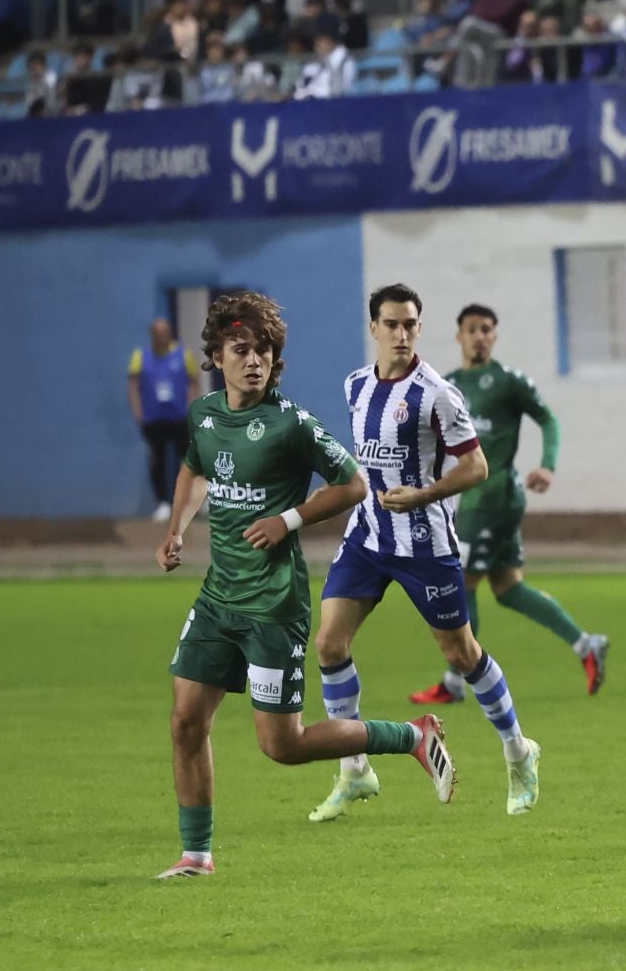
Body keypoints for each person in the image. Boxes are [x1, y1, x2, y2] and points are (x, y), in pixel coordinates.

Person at [155, 292, 455, 880]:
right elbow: (195, 466)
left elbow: (353, 484)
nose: (254, 360)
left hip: (272, 605)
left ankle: (409, 736)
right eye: (241, 349)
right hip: (219, 599)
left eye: (264, 350)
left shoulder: (290, 423)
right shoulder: (205, 415)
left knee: (282, 746)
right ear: (216, 355)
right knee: (186, 720)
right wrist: (176, 530)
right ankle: (196, 856)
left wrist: (287, 520)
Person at [310, 284, 544, 822]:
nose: (401, 333)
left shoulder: (437, 393)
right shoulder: (355, 386)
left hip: (426, 544)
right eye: (391, 324)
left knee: (461, 655)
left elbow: (476, 467)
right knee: (328, 642)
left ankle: (518, 751)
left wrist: (423, 494)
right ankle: (354, 770)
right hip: (368, 536)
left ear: (419, 327)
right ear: (373, 328)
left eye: (410, 324)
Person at [409, 304, 609, 706]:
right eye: (472, 329)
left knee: (462, 581)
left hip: (495, 496)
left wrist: (548, 465)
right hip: (474, 498)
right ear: (458, 335)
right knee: (508, 587)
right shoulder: (445, 386)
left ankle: (455, 679)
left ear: (495, 336)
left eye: (487, 329)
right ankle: (586, 644)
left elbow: (548, 419)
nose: (479, 335)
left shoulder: (508, 382)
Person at [131, 318, 195, 521]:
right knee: (157, 462)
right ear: (152, 335)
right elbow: (133, 386)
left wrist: (192, 409)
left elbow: (194, 383)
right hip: (153, 420)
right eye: (158, 333)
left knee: (186, 461)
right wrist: (139, 413)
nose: (162, 336)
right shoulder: (141, 357)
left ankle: (188, 503)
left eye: (165, 332)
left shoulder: (184, 355)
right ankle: (163, 503)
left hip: (179, 418)